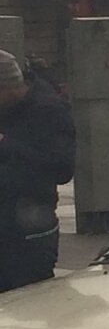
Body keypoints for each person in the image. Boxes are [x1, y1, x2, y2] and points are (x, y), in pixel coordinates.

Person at [0, 50, 75, 292]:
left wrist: (6, 144)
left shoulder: (49, 111)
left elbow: (62, 168)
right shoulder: (8, 108)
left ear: (8, 87)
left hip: (28, 234)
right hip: (8, 222)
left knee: (29, 300)